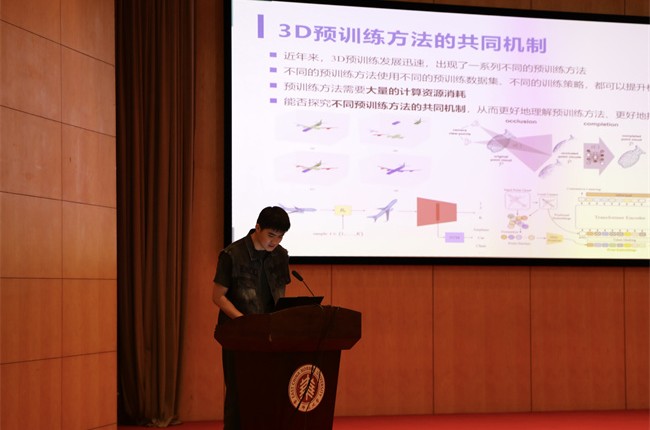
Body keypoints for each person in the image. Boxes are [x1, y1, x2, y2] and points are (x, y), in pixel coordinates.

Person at [212, 206, 292, 430]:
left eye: (280, 236)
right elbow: (218, 297)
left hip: (270, 335)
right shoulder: (231, 255)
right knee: (238, 393)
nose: (275, 242)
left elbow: (280, 294)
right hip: (238, 335)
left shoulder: (281, 256)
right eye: (271, 235)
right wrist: (244, 321)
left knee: (268, 392)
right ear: (257, 228)